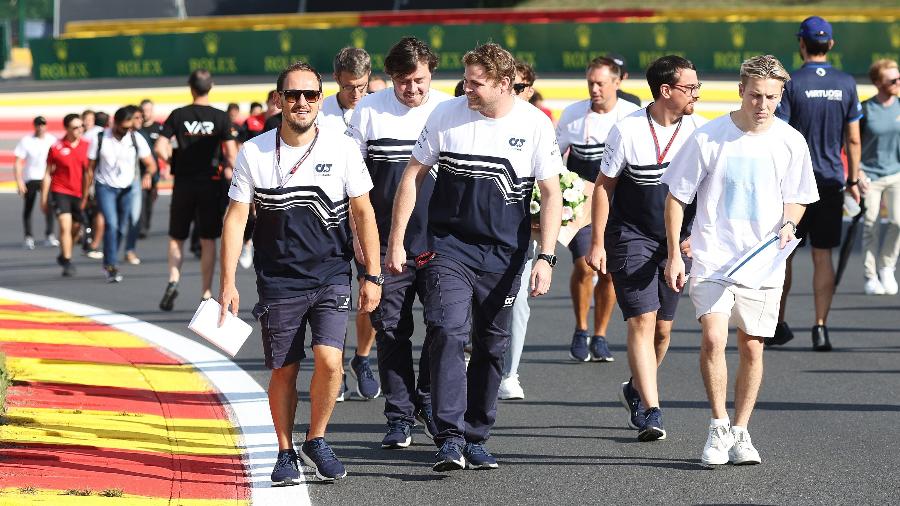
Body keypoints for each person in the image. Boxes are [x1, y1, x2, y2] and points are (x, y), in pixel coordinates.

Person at [387, 42, 562, 471]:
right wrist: (396, 242)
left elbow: (552, 192)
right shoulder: (445, 115)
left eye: (476, 83)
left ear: (505, 84)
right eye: (465, 80)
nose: (466, 89)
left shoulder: (535, 124)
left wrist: (547, 258)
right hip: (449, 248)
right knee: (446, 329)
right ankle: (448, 436)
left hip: (505, 254)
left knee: (491, 344)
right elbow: (413, 175)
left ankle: (476, 434)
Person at [219, 60, 381, 483]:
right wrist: (227, 283)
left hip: (331, 273)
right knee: (285, 369)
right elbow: (236, 219)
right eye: (293, 95)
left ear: (321, 99)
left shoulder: (342, 147)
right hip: (278, 279)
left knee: (330, 361)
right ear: (279, 100)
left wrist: (373, 274)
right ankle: (285, 451)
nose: (302, 102)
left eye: (310, 95)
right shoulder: (254, 151)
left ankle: (317, 438)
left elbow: (364, 212)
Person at [662, 54, 818, 467]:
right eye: (754, 96)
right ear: (740, 91)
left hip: (763, 260)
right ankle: (717, 425)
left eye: (770, 97)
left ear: (781, 95)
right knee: (713, 338)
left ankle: (742, 431)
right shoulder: (709, 137)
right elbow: (677, 196)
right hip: (713, 255)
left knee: (752, 347)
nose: (762, 105)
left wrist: (788, 223)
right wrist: (674, 252)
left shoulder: (790, 140)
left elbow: (799, 197)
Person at [587, 55, 706, 441]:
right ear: (666, 90)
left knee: (663, 331)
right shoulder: (628, 130)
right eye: (690, 87)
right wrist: (598, 241)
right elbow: (605, 187)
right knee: (642, 320)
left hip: (679, 241)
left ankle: (635, 388)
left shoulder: (700, 132)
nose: (697, 94)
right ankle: (652, 411)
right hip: (631, 236)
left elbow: (708, 192)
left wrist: (695, 236)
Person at [347, 36, 451, 446]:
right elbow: (349, 184)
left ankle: (424, 397)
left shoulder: (448, 109)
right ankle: (399, 415)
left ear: (432, 75)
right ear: (389, 78)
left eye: (420, 80)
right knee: (390, 329)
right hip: (383, 244)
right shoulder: (367, 112)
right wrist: (359, 240)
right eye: (404, 81)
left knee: (444, 327)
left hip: (442, 243)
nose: (413, 89)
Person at [771, 16, 863, 351]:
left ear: (801, 43)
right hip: (830, 181)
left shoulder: (791, 82)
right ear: (831, 45)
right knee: (823, 256)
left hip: (793, 185)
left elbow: (778, 135)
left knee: (784, 255)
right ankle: (820, 326)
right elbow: (853, 140)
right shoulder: (847, 83)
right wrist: (853, 177)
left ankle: (777, 324)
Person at [558, 56, 640, 364]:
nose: (594, 89)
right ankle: (581, 329)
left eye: (601, 83)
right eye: (590, 82)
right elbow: (554, 156)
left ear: (617, 83)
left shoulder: (632, 116)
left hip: (620, 207)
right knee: (583, 266)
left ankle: (600, 334)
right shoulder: (573, 114)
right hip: (582, 206)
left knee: (608, 273)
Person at [155, 69, 238, 310]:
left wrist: (173, 161)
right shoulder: (221, 117)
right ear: (210, 87)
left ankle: (173, 279)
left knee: (177, 237)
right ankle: (205, 291)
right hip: (209, 183)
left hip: (183, 182)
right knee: (207, 239)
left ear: (191, 88)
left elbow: (161, 147)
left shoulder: (178, 115)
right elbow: (231, 154)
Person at [498, 60, 550, 400]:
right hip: (477, 233)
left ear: (528, 90)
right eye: (507, 86)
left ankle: (509, 373)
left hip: (521, 233)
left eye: (518, 88)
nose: (511, 94)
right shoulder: (481, 116)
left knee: (517, 303)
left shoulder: (539, 124)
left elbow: (554, 186)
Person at [84, 106, 156, 282]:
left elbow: (151, 164)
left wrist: (147, 174)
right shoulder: (101, 138)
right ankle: (111, 265)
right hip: (105, 186)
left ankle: (110, 256)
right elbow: (90, 168)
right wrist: (86, 193)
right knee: (112, 223)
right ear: (114, 123)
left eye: (129, 127)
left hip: (127, 188)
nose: (126, 131)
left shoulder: (135, 138)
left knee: (123, 227)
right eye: (123, 127)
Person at [860, 59, 900, 295]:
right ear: (877, 83)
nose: (897, 82)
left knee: (898, 222)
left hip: (896, 173)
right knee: (870, 224)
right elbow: (851, 142)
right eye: (892, 80)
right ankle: (870, 275)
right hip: (870, 175)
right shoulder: (865, 109)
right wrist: (857, 172)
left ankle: (887, 266)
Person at [40, 113, 89, 277]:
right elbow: (47, 174)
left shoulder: (87, 146)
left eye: (81, 126)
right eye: (75, 127)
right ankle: (67, 261)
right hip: (60, 191)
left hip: (79, 192)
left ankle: (64, 253)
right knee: (64, 225)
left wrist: (87, 195)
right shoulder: (56, 147)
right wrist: (44, 198)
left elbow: (90, 173)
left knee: (76, 228)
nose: (79, 130)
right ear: (67, 129)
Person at [14, 116, 58, 250]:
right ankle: (28, 237)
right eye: (38, 125)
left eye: (43, 124)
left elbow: (57, 160)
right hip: (31, 177)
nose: (41, 127)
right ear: (34, 126)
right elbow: (18, 162)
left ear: (46, 126)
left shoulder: (52, 140)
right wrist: (19, 181)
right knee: (28, 207)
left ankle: (49, 235)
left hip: (47, 178)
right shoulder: (26, 141)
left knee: (49, 205)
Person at [320, 47, 371, 131]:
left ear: (368, 75)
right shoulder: (319, 112)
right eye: (349, 87)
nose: (356, 94)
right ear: (336, 79)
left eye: (361, 86)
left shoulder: (380, 111)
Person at [138, 99, 164, 238]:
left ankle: (145, 224)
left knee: (150, 199)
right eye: (144, 110)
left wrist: (166, 167)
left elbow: (165, 149)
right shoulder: (137, 128)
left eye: (148, 110)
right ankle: (140, 227)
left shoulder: (158, 128)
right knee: (140, 197)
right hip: (140, 170)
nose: (146, 113)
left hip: (154, 171)